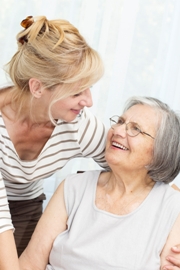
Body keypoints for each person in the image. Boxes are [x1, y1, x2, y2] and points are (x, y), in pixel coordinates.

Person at [19, 96, 180, 270]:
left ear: (161, 151)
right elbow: (31, 262)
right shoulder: (74, 187)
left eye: (136, 129)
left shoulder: (172, 207)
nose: (118, 131)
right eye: (120, 121)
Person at [0, 15, 108, 257]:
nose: (89, 101)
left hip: (26, 208)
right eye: (77, 91)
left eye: (89, 87)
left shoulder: (79, 126)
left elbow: (135, 170)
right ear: (37, 87)